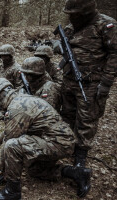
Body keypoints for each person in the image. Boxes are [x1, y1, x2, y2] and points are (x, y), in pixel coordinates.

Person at [0, 78, 91, 199]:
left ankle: (12, 192)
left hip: (58, 143)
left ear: (1, 96)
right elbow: (14, 128)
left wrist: (1, 169)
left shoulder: (16, 108)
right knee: (34, 170)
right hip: (60, 141)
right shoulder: (22, 98)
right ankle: (77, 173)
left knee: (12, 145)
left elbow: (9, 139)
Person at [60, 0, 116, 169]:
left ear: (86, 12)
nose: (72, 18)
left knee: (87, 119)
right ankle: (66, 144)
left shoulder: (106, 25)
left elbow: (114, 55)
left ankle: (81, 154)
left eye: (75, 14)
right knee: (67, 114)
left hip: (92, 83)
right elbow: (65, 46)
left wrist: (106, 83)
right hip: (69, 79)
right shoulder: (71, 27)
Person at [0, 44, 21, 118]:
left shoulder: (17, 69)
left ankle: (5, 109)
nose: (3, 58)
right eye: (2, 56)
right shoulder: (0, 67)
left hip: (10, 97)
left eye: (6, 56)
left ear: (11, 55)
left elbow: (19, 88)